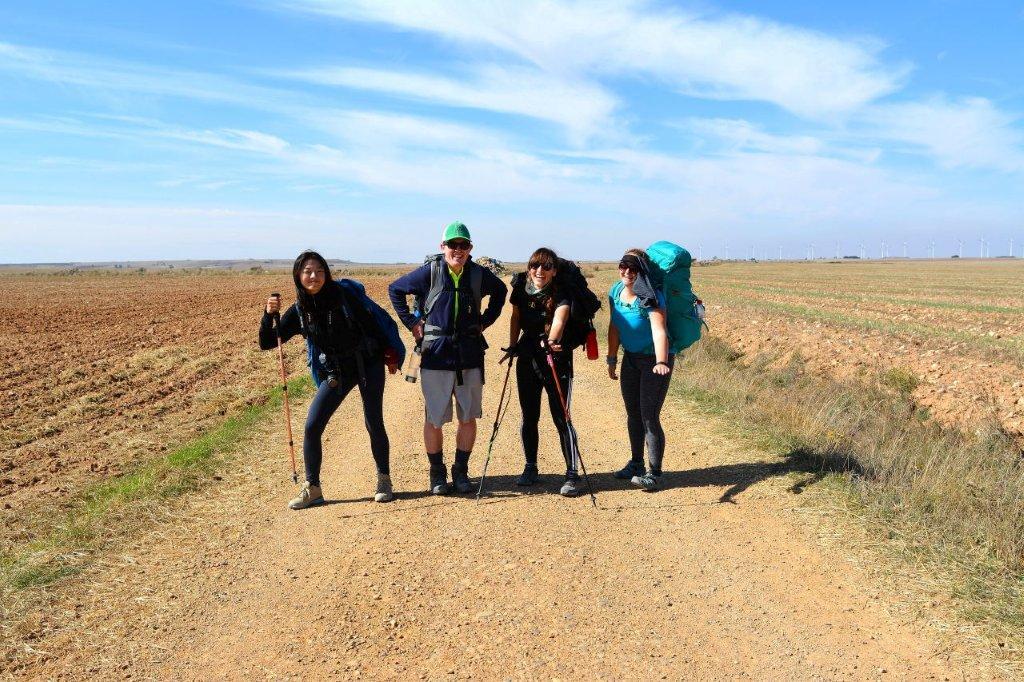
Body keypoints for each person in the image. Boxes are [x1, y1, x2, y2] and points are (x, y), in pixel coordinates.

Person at [259, 250, 400, 509]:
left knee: (373, 420)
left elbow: (372, 324)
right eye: (308, 272)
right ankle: (313, 488)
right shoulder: (300, 309)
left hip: (367, 362)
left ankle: (384, 480)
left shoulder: (344, 296)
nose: (314, 276)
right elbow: (268, 341)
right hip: (337, 371)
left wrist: (390, 354)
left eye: (319, 271)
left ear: (326, 274)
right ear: (298, 276)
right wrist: (268, 315)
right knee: (312, 426)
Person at [388, 222, 507, 495]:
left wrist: (486, 320)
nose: (458, 250)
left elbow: (500, 292)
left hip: (469, 355)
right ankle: (437, 473)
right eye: (453, 244)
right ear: (443, 247)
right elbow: (395, 289)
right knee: (434, 418)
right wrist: (412, 323)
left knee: (468, 417)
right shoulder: (430, 272)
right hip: (436, 356)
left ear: (470, 248)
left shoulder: (477, 274)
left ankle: (461, 471)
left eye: (464, 245)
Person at [505, 247, 584, 497]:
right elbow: (515, 318)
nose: (539, 271)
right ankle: (530, 467)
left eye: (546, 266)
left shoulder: (562, 292)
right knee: (529, 416)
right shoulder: (521, 288)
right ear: (529, 268)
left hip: (556, 359)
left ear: (554, 271)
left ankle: (572, 474)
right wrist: (513, 345)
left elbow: (560, 318)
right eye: (535, 265)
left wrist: (551, 341)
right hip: (527, 358)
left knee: (562, 417)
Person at [606, 248, 673, 491]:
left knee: (648, 416)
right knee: (633, 413)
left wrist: (661, 361)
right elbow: (615, 326)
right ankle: (636, 463)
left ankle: (654, 473)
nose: (626, 272)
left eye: (633, 268)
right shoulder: (615, 291)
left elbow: (659, 329)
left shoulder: (651, 295)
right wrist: (612, 358)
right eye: (623, 266)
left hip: (655, 361)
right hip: (631, 359)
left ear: (642, 271)